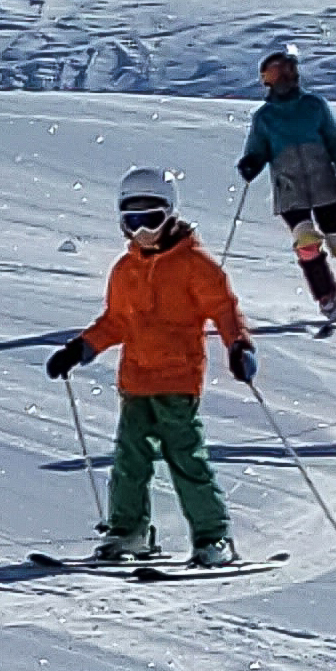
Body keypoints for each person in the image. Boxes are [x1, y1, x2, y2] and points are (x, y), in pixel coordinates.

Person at [46, 168, 259, 567]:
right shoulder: (124, 271)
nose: (142, 230)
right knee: (129, 460)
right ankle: (129, 533)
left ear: (171, 214)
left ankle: (214, 538)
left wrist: (238, 344)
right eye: (133, 219)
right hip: (135, 380)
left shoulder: (195, 264)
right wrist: (80, 349)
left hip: (178, 379)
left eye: (152, 218)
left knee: (186, 459)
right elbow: (116, 321)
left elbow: (224, 309)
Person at [235, 41, 336, 323]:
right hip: (290, 189)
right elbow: (257, 148)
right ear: (267, 81)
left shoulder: (314, 106)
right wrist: (251, 163)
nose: (283, 80)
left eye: (287, 72)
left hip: (323, 183)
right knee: (306, 242)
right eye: (276, 75)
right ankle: (326, 298)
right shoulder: (264, 117)